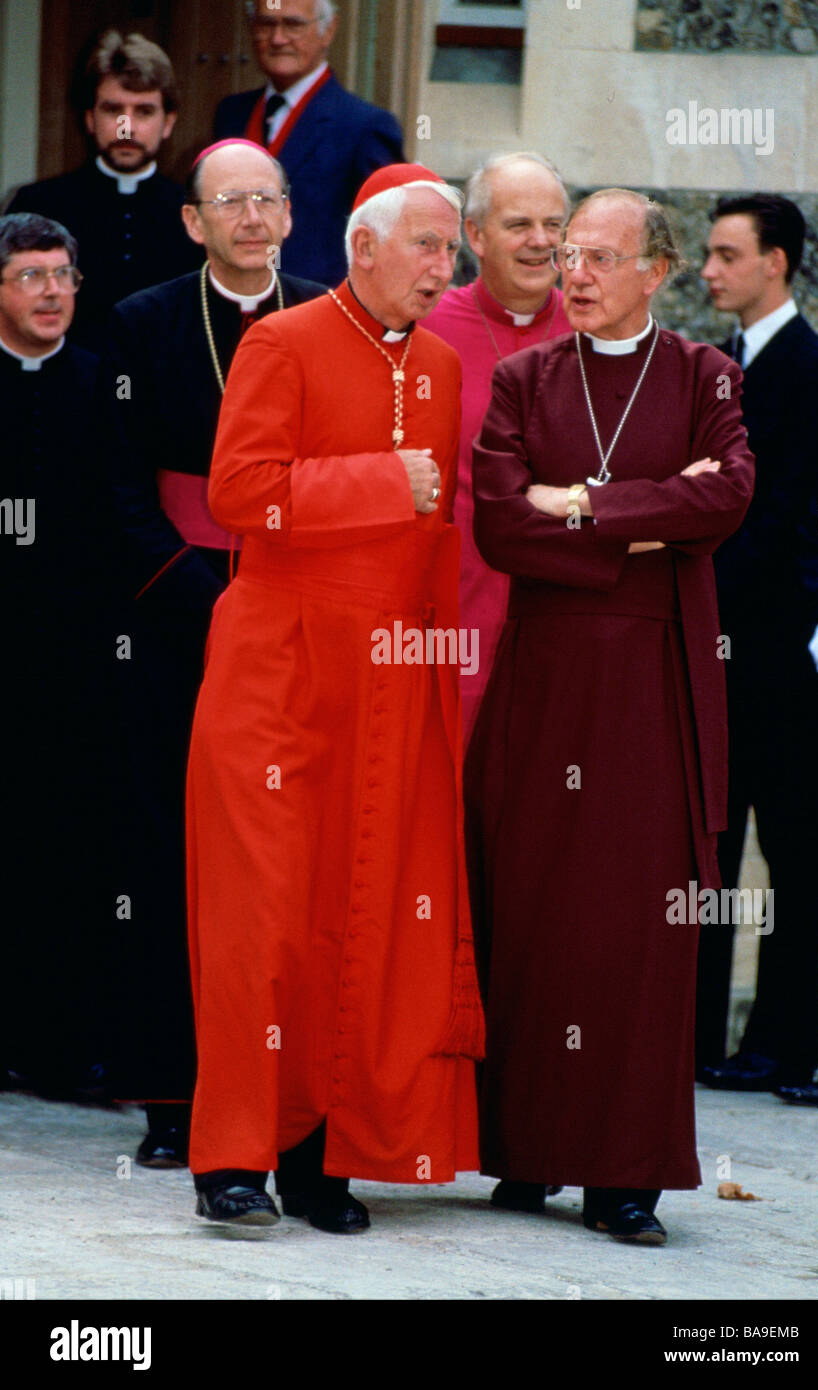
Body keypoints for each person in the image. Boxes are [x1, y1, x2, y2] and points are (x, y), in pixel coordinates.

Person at [184, 162, 483, 1233]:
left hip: (391, 680)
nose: (445, 270)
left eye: (452, 252)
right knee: (259, 920)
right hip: (280, 666)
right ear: (363, 247)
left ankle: (323, 1157)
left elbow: (438, 547)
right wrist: (377, 480)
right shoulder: (282, 339)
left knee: (363, 914)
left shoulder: (445, 365)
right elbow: (238, 493)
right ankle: (230, 1157)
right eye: (429, 248)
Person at [464, 189, 754, 1245]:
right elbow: (500, 524)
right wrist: (642, 518)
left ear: (657, 270)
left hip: (650, 679)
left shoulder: (704, 376)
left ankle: (623, 1174)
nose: (572, 272)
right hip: (545, 682)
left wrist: (581, 502)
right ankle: (527, 1151)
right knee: (535, 910)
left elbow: (725, 496)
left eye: (598, 256)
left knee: (636, 927)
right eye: (567, 254)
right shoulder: (521, 377)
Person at [99, 138, 326, 1168]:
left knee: (289, 863)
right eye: (226, 202)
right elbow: (118, 488)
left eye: (264, 199)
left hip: (302, 617)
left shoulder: (331, 317)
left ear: (288, 213)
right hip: (182, 616)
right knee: (169, 851)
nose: (248, 217)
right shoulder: (141, 322)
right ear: (192, 221)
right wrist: (201, 592)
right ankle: (170, 1094)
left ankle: (289, 1091)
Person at [697, 194, 818, 1096]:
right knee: (710, 851)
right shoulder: (713, 365)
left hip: (789, 661)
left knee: (793, 856)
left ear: (776, 263)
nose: (709, 271)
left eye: (725, 255)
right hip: (714, 652)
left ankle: (783, 1042)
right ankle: (697, 1034)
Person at [0, 213, 120, 1095]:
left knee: (71, 849)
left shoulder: (101, 385)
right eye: (30, 276)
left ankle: (60, 1042)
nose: (51, 293)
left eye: (63, 275)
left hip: (78, 660)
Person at [426, 152, 571, 740]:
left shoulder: (603, 330)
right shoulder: (427, 326)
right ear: (476, 236)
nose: (541, 242)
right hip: (455, 615)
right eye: (519, 226)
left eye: (554, 225)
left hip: (564, 620)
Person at [7, 30, 201, 351]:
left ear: (168, 122)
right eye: (113, 110)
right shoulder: (38, 205)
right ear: (89, 119)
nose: (127, 127)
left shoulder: (194, 214)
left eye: (144, 111)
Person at [213, 0, 404, 285]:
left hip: (315, 306)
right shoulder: (231, 114)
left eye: (293, 25)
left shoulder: (364, 126)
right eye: (266, 24)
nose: (278, 39)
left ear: (329, 30)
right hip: (231, 299)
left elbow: (388, 235)